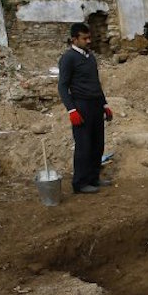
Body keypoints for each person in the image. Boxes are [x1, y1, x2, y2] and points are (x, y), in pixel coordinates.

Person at [58, 22, 113, 195]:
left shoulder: (90, 57)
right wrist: (72, 110)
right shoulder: (68, 58)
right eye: (84, 38)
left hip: (96, 105)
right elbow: (62, 86)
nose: (88, 41)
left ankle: (93, 178)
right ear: (74, 39)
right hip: (81, 106)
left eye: (89, 37)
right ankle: (80, 183)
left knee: (98, 144)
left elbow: (96, 83)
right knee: (84, 146)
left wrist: (104, 104)